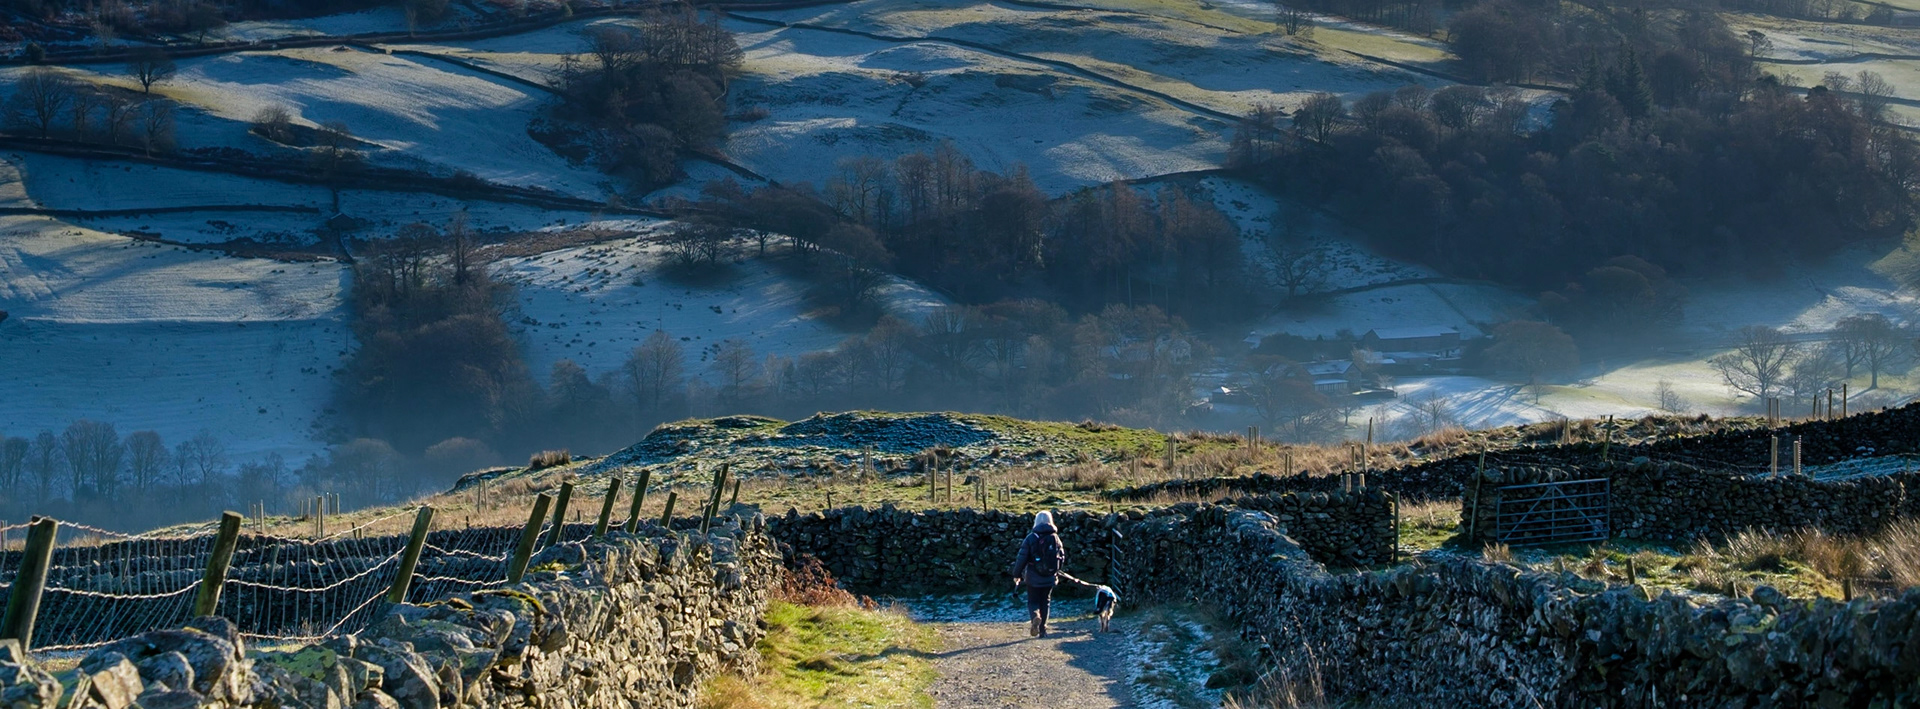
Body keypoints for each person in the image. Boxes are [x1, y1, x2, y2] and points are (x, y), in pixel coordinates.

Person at [1010, 510, 1065, 637]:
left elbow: (1022, 558)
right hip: (1049, 577)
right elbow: (1062, 557)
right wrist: (1056, 571)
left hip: (1033, 576)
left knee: (1033, 601)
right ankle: (1043, 631)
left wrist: (1016, 574)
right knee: (1045, 601)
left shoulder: (1031, 538)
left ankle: (1035, 617)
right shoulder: (1055, 538)